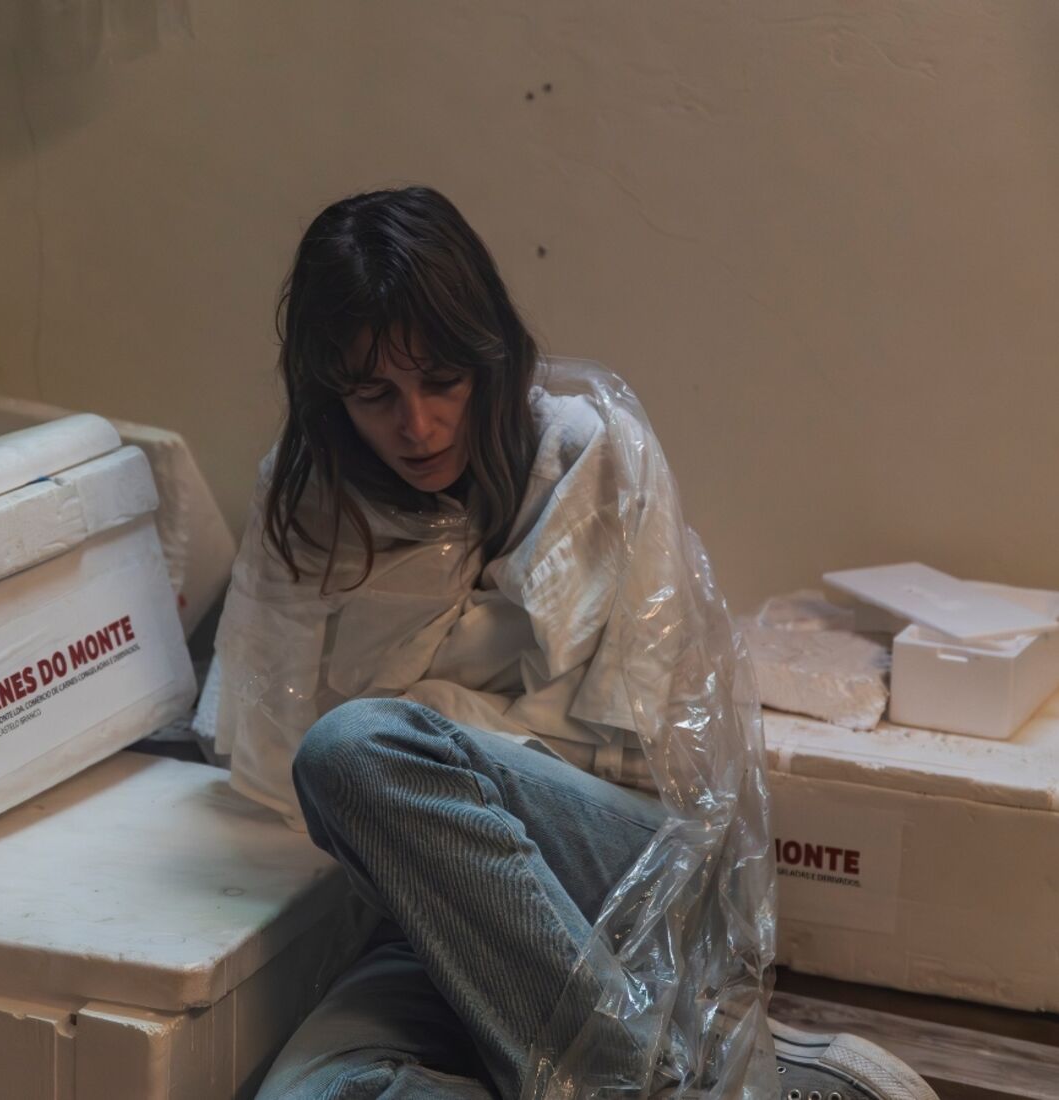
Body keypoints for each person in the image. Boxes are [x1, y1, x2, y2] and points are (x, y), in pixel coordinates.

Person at [207, 186, 938, 1100]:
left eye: (443, 381)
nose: (417, 426)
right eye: (374, 395)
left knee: (354, 751)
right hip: (438, 907)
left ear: (489, 356)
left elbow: (637, 754)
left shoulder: (586, 457)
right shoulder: (310, 504)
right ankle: (720, 1077)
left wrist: (428, 727)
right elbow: (269, 760)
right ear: (332, 396)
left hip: (623, 873)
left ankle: (636, 1080)